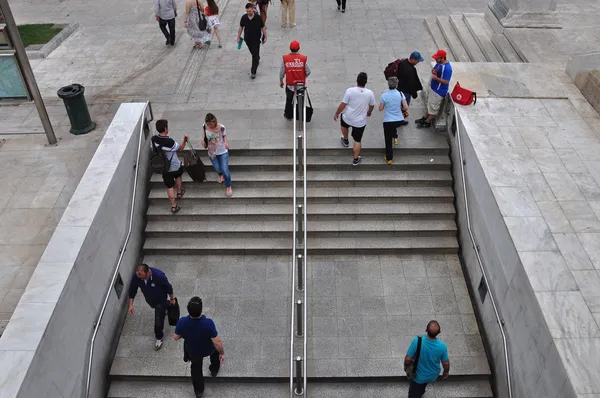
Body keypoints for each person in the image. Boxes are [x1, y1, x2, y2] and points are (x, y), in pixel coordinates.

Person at [174, 297, 225, 398]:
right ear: (201, 310)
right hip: (208, 348)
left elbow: (176, 337)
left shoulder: (182, 322)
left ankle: (199, 391)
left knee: (196, 370)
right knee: (215, 353)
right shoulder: (208, 323)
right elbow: (217, 342)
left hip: (193, 350)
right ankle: (214, 369)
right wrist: (222, 353)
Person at [128, 264, 176, 350]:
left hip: (160, 301)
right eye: (140, 278)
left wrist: (172, 298)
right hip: (150, 300)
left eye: (143, 277)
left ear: (149, 273)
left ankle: (159, 338)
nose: (141, 279)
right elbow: (132, 289)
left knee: (158, 323)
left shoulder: (159, 276)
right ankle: (167, 305)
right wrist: (131, 304)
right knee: (160, 307)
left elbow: (168, 287)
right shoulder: (138, 276)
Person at [333, 72, 376, 166]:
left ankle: (345, 139)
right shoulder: (370, 93)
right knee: (357, 140)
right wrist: (369, 112)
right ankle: (355, 159)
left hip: (348, 117)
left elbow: (343, 105)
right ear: (366, 82)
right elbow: (372, 105)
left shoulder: (350, 91)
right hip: (360, 122)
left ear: (357, 81)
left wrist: (337, 113)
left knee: (344, 125)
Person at [404, 320, 450, 398]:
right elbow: (446, 363)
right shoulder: (442, 346)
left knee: (414, 392)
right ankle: (421, 391)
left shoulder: (417, 341)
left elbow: (408, 359)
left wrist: (406, 365)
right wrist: (446, 372)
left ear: (426, 330)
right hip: (432, 375)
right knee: (423, 384)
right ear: (439, 332)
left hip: (418, 376)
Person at [151, 119, 189, 213]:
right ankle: (179, 192)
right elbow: (180, 148)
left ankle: (173, 206)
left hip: (163, 167)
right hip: (174, 165)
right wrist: (184, 140)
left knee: (170, 187)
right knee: (178, 176)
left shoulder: (154, 139)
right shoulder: (170, 142)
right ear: (165, 129)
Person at [416, 49, 452, 129]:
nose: (435, 59)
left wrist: (436, 78)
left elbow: (446, 81)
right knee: (429, 105)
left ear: (442, 58)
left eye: (437, 58)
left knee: (433, 108)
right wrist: (433, 71)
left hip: (438, 92)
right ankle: (425, 118)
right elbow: (433, 70)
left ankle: (427, 122)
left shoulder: (447, 69)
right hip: (433, 88)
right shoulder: (439, 64)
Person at [202, 113, 232, 197]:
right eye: (208, 124)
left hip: (222, 151)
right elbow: (204, 135)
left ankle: (228, 186)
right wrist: (203, 141)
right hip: (212, 152)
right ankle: (220, 174)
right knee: (218, 168)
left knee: (225, 170)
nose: (210, 126)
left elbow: (224, 136)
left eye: (211, 123)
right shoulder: (204, 126)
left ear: (215, 121)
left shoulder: (221, 127)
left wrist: (226, 143)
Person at [379, 77, 408, 164]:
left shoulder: (384, 95)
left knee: (388, 140)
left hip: (388, 121)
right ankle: (395, 137)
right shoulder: (400, 93)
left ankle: (389, 158)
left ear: (388, 85)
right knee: (393, 126)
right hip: (399, 120)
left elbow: (380, 108)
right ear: (397, 85)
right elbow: (406, 107)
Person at [280, 40, 311, 120]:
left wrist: (281, 81)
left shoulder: (285, 58)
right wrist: (303, 76)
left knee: (289, 100)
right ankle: (301, 114)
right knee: (301, 100)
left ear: (290, 48)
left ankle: (288, 114)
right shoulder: (303, 59)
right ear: (299, 48)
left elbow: (282, 72)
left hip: (290, 84)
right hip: (300, 85)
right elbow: (308, 71)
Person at [237, 3, 267, 79]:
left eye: (249, 11)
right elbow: (241, 27)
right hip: (248, 39)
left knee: (255, 56)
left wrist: (265, 36)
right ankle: (257, 58)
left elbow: (263, 27)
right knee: (254, 53)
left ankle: (253, 71)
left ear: (253, 9)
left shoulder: (258, 18)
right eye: (247, 11)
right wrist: (238, 37)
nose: (248, 13)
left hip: (257, 39)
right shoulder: (244, 18)